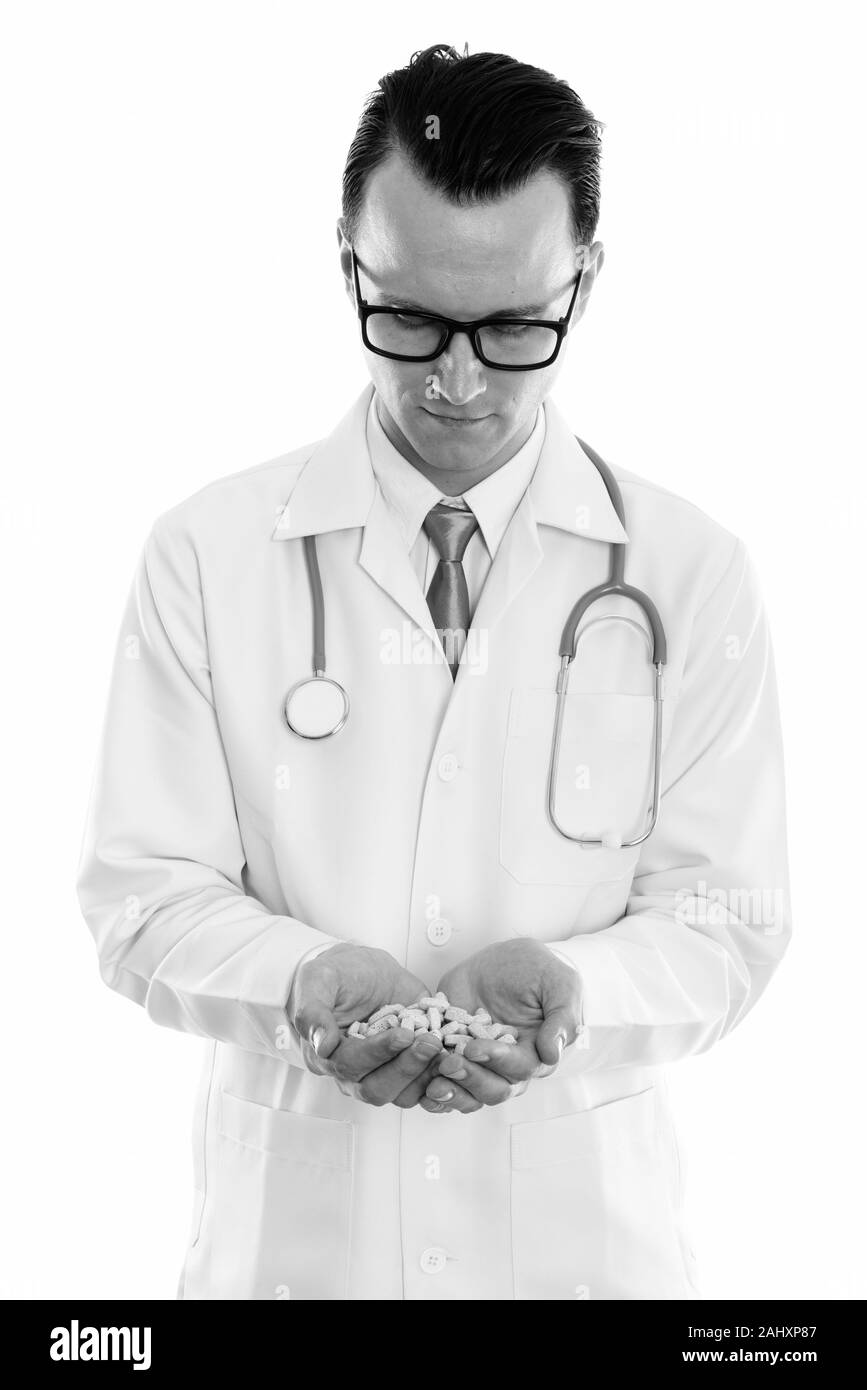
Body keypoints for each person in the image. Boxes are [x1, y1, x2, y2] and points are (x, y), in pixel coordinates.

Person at [76, 43, 791, 1301]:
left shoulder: (687, 571)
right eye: (407, 316)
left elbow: (728, 922)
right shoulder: (206, 554)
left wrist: (581, 992)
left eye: (515, 325)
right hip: (296, 1260)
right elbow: (140, 898)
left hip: (585, 1261)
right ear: (348, 261)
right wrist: (295, 980)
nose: (456, 380)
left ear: (589, 279)